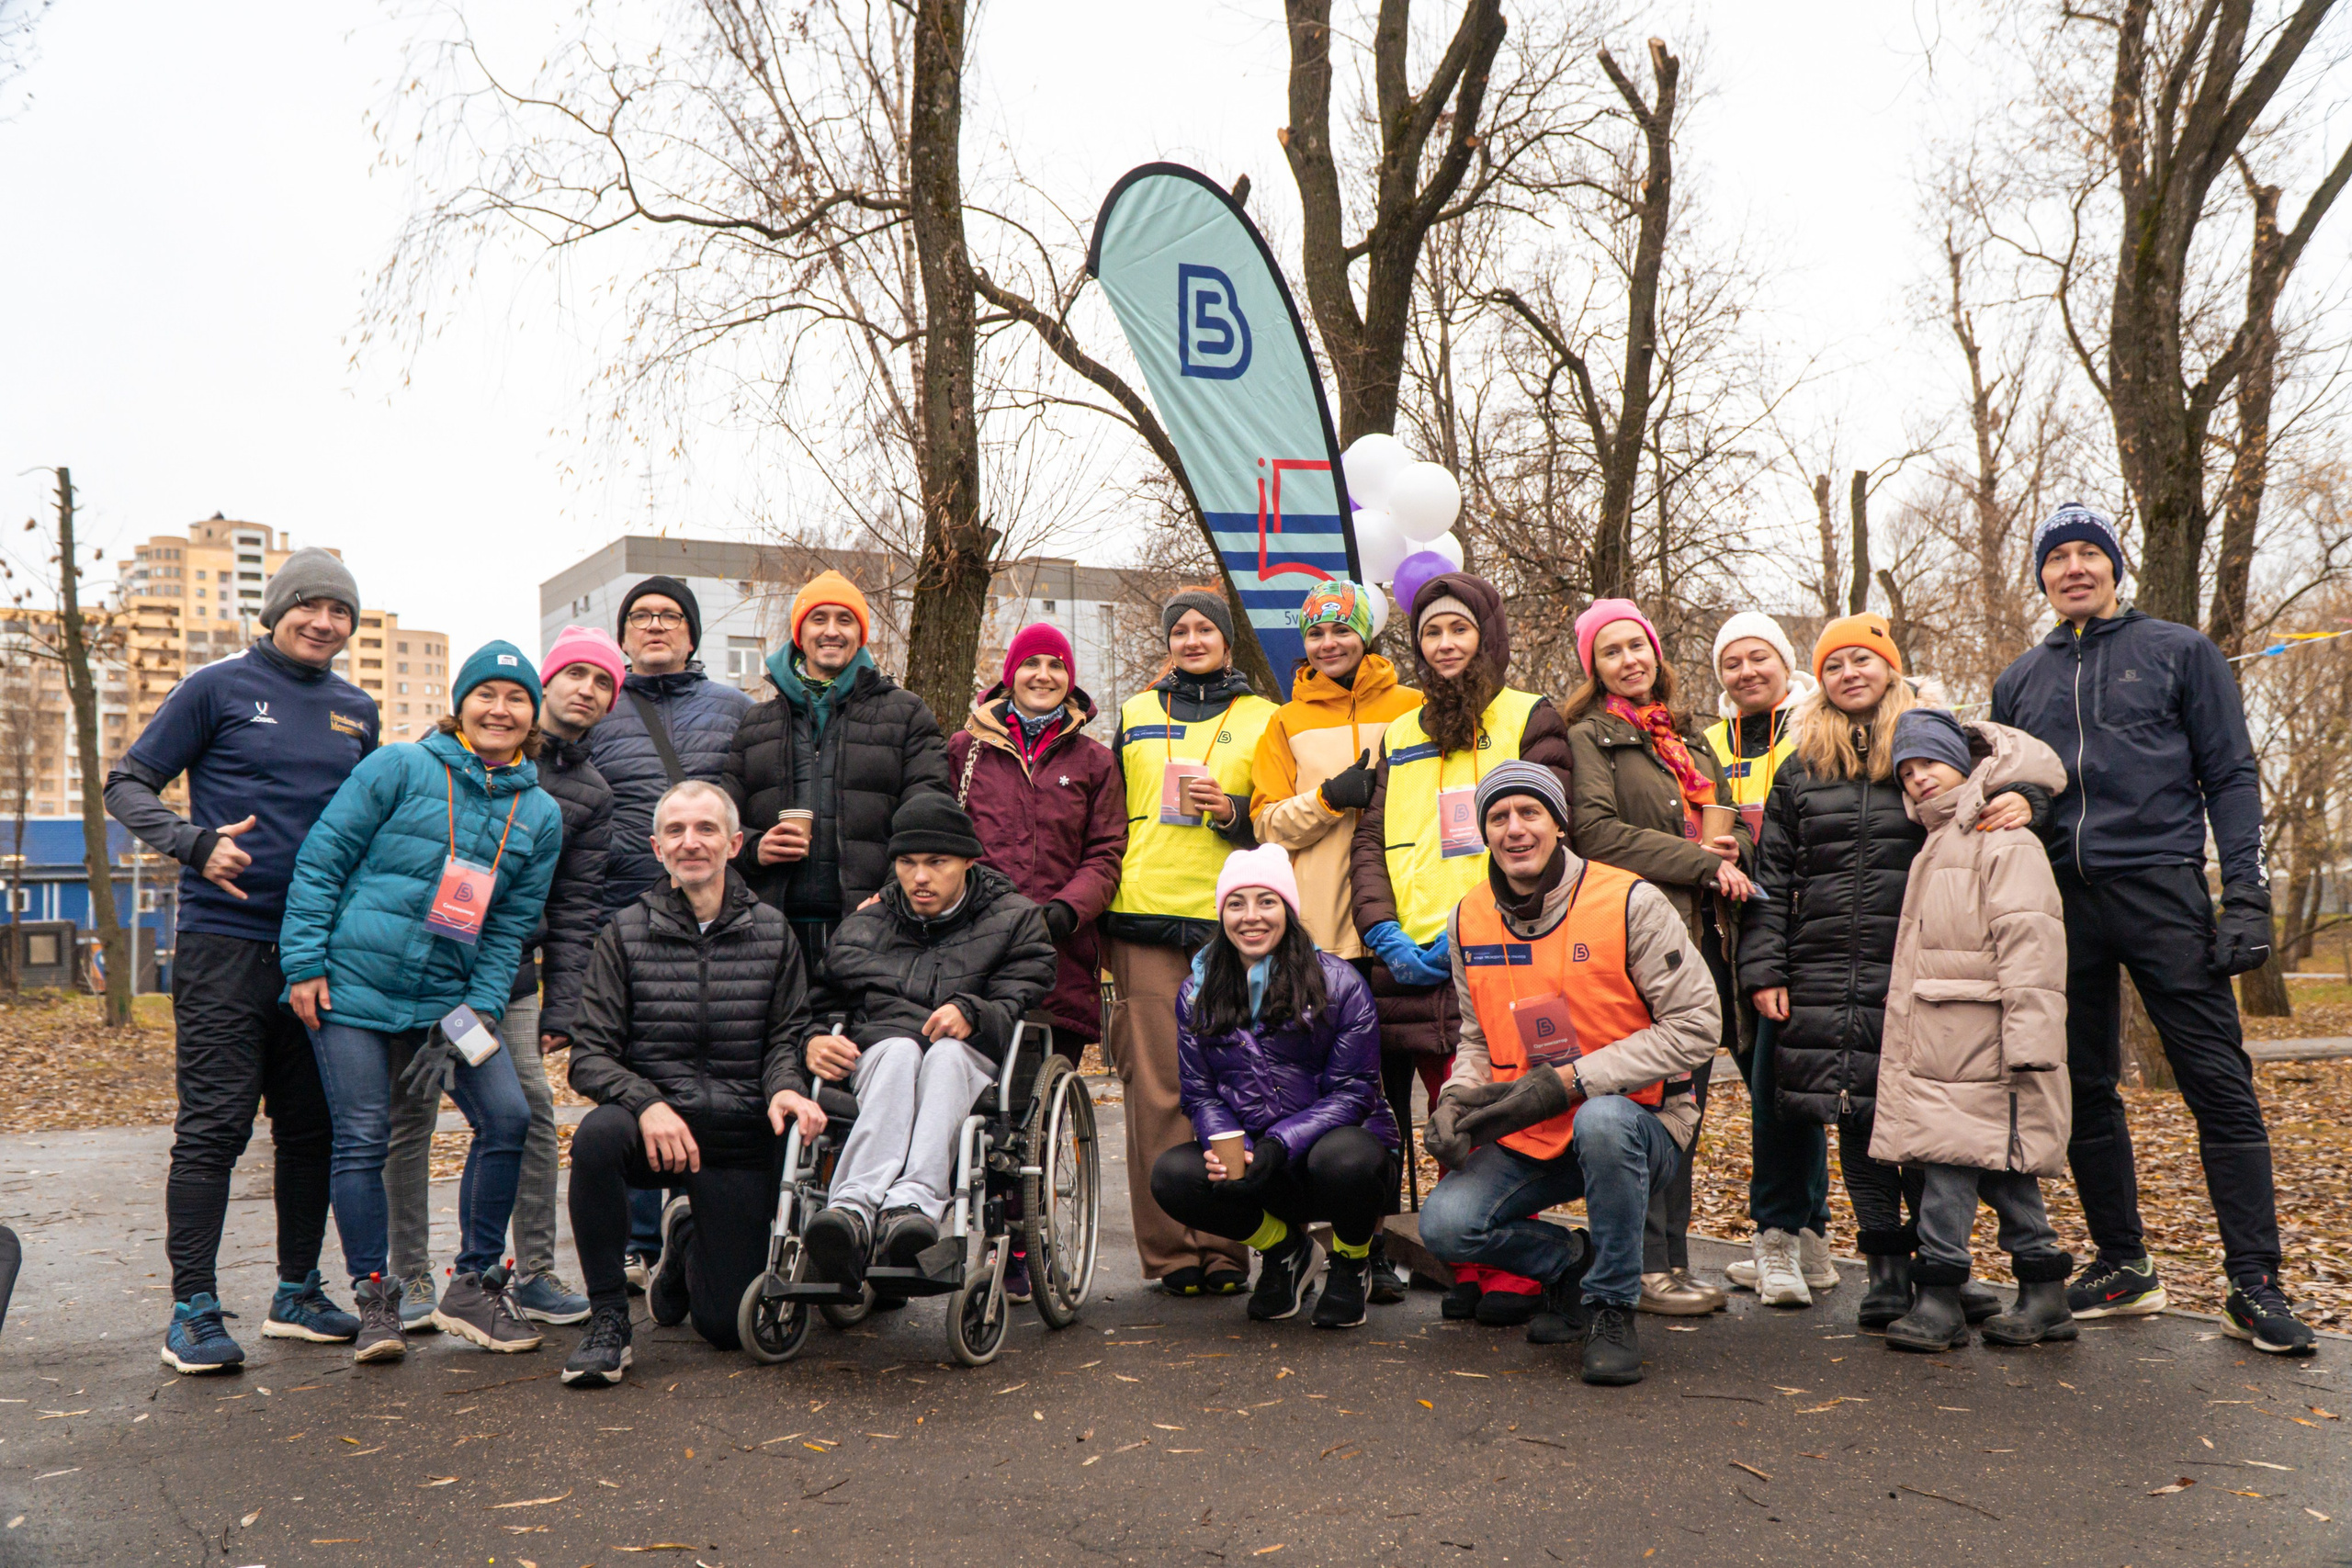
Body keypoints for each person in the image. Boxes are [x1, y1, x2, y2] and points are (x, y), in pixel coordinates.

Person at [1990, 502, 2316, 1354]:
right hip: (2062, 901)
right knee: (2086, 1086)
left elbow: (2231, 774)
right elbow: (2023, 790)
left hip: (2164, 890)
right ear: (2044, 577)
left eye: (2087, 553)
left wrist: (2245, 895)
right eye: (2056, 557)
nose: (2073, 567)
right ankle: (2123, 1263)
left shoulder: (2180, 651)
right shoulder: (2021, 678)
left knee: (2220, 1084)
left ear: (2114, 565)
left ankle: (2254, 1281)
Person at [106, 547, 377, 1372]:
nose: (324, 622)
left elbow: (370, 824)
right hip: (224, 944)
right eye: (310, 606)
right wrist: (194, 845)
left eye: (341, 613)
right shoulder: (216, 688)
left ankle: (296, 1290)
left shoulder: (356, 710)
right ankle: (192, 1307)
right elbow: (127, 784)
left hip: (315, 953)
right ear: (277, 611)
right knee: (215, 1127)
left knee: (310, 1129)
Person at [1737, 616, 2041, 1332]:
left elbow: (2014, 782)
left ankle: (1942, 1265)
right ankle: (1885, 1265)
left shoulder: (1936, 742)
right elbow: (1772, 875)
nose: (1849, 672)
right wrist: (1764, 966)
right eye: (1834, 663)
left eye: (1863, 660)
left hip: (1918, 962)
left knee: (1919, 1114)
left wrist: (2039, 802)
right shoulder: (1800, 765)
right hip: (1819, 964)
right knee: (1853, 1110)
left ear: (1891, 669)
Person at [279, 641, 565, 1363]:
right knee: (365, 1133)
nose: (500, 709)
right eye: (486, 694)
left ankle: (472, 1283)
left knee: (509, 1115)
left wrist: (479, 1013)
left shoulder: (539, 813)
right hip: (353, 987)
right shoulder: (400, 766)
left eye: (517, 698)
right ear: (461, 702)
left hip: (450, 1000)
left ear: (534, 715)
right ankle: (378, 1299)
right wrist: (305, 962)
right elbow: (322, 860)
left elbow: (507, 930)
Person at [1418, 763, 1724, 1386]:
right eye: (1499, 817)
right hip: (1530, 1126)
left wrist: (1575, 1080)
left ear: (1559, 823)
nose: (1514, 829)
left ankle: (1611, 1305)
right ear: (1484, 832)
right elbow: (1476, 1036)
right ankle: (1566, 1265)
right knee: (1445, 1225)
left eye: (1529, 812)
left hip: (1640, 1120)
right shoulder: (1467, 918)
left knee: (1604, 1121)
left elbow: (1696, 1024)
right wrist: (1454, 1101)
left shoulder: (1630, 900)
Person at [1350, 571, 1572, 1325]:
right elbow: (1371, 840)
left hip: (1500, 948)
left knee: (1494, 1108)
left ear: (1487, 635)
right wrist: (1381, 929)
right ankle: (1470, 1268)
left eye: (1458, 630)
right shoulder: (1400, 729)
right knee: (1442, 1116)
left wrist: (1466, 927)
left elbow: (1544, 831)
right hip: (1406, 961)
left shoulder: (1528, 715)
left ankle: (1515, 1272)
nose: (1444, 645)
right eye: (1431, 633)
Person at [384, 626, 621, 1331]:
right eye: (574, 673)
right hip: (417, 973)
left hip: (507, 982)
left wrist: (565, 1005)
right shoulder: (445, 759)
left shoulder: (589, 793)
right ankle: (409, 1275)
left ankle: (533, 1270)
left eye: (604, 680)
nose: (586, 689)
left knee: (526, 1112)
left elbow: (576, 908)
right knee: (411, 1116)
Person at [560, 780, 824, 1385]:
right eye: (676, 830)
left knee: (727, 1327)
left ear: (734, 843)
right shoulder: (622, 935)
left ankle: (682, 1238)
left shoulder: (772, 933)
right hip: (653, 1128)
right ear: (656, 848)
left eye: (706, 828)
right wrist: (646, 1102)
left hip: (737, 1130)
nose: (691, 841)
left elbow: (788, 1036)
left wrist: (785, 1085)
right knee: (597, 1136)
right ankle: (607, 1322)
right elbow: (589, 1056)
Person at [1562, 598, 1751, 1317]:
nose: (1628, 660)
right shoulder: (1591, 737)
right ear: (1595, 667)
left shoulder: (1692, 741)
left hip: (1707, 943)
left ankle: (1672, 1259)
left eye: (1635, 646)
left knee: (1687, 1108)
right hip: (1637, 944)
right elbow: (1597, 836)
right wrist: (1699, 861)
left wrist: (1735, 854)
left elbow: (1728, 834)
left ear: (1655, 652)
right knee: (1641, 1101)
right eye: (1610, 652)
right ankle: (1641, 1264)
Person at [1871, 708, 2077, 1352]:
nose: (1918, 779)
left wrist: (2033, 1037)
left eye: (1929, 763)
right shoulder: (1940, 841)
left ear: (1964, 763)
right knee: (1999, 1168)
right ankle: (2045, 1289)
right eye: (1906, 772)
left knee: (1951, 1169)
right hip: (1945, 1043)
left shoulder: (2000, 835)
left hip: (1984, 1044)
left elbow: (2032, 937)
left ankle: (1939, 1296)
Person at [1248, 581, 1422, 1302]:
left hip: (1397, 930)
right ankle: (1327, 1244)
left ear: (1365, 635)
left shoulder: (1411, 707)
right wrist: (1326, 798)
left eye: (1341, 632)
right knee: (1317, 1096)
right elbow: (1262, 823)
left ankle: (1379, 1240)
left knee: (1394, 1098)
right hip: (1319, 938)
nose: (1329, 644)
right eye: (1317, 635)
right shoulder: (1284, 722)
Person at [800, 796, 1057, 1285]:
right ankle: (851, 1211)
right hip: (881, 1051)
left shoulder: (1016, 920)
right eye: (907, 863)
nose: (920, 877)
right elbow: (817, 1004)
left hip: (969, 1056)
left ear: (968, 861)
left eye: (936, 863)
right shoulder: (865, 924)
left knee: (941, 1056)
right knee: (899, 1053)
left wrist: (973, 1011)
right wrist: (813, 1038)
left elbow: (1021, 996)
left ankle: (911, 1208)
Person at [1102, 589, 1278, 1297]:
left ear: (1227, 642)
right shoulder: (1136, 714)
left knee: (1234, 1084)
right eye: (1181, 629)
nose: (1193, 638)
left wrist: (1233, 813)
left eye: (1207, 627)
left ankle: (1228, 1245)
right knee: (1158, 1090)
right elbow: (1107, 814)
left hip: (1233, 922)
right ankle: (1173, 1251)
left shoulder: (1264, 717)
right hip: (1142, 917)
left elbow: (1279, 819)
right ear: (1168, 642)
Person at [946, 623, 1125, 1302]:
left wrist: (1066, 909)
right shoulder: (966, 749)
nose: (1044, 674)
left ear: (1069, 677)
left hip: (1060, 955)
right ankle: (973, 1232)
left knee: (1031, 1113)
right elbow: (947, 837)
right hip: (978, 952)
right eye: (1032, 664)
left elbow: (1107, 851)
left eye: (1056, 665)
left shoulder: (1095, 760)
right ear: (1010, 673)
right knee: (976, 1101)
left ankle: (1025, 1242)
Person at [1150, 844, 1399, 1329]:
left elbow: (1354, 1093)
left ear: (1288, 910)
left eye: (1266, 902)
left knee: (1347, 1158)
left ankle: (1351, 1261)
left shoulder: (1340, 983)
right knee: (1173, 1176)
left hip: (1337, 1158)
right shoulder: (1197, 991)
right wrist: (1234, 1149)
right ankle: (1286, 1251)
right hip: (1259, 1161)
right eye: (1236, 904)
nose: (1251, 917)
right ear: (1221, 914)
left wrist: (1278, 1144)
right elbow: (1199, 1093)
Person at [589, 574, 753, 1280]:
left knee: (713, 1060)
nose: (655, 625)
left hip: (715, 916)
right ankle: (636, 1242)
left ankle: (700, 1221)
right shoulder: (596, 708)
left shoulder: (737, 709)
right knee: (634, 1066)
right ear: (624, 636)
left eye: (670, 616)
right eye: (641, 616)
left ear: (691, 633)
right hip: (621, 914)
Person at [1702, 612, 1836, 1308]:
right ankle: (1812, 1233)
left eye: (1760, 658)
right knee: (1775, 1083)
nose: (1747, 671)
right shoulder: (1706, 742)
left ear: (1786, 665)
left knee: (1783, 1081)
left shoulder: (1818, 725)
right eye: (1732, 662)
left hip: (1805, 927)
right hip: (1732, 927)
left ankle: (1779, 1232)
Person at [725, 568, 952, 976]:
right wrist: (755, 848)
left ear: (860, 634)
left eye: (845, 620)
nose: (832, 630)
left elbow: (929, 812)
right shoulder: (756, 722)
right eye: (819, 618)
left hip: (876, 924)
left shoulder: (905, 714)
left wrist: (890, 893)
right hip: (771, 927)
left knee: (863, 1037)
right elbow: (720, 822)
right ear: (800, 633)